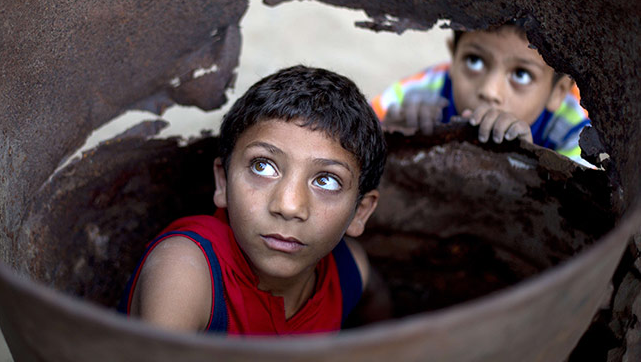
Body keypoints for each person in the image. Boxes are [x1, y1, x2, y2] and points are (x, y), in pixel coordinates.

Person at [120, 65, 387, 335]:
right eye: (263, 166)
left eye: (327, 181)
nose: (288, 206)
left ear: (359, 212)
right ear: (223, 181)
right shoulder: (184, 271)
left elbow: (382, 315)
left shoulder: (348, 271)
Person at [371, 24, 592, 166]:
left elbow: (586, 211)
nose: (489, 91)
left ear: (558, 92)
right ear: (453, 57)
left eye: (521, 75)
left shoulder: (579, 132)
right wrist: (389, 138)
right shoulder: (421, 93)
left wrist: (526, 162)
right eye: (474, 61)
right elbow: (355, 139)